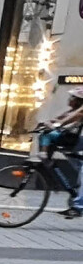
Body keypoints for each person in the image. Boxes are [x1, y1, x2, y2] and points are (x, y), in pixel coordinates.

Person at [45, 88, 83, 218]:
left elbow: (77, 115)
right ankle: (76, 195)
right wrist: (49, 123)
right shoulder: (73, 111)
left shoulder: (80, 111)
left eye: (72, 97)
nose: (70, 100)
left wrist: (59, 124)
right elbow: (64, 116)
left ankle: (78, 207)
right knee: (72, 156)